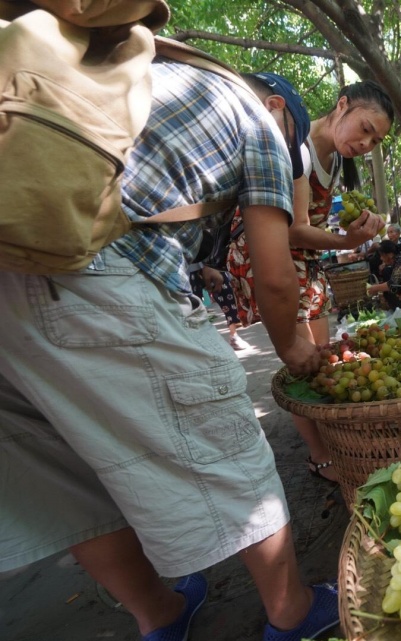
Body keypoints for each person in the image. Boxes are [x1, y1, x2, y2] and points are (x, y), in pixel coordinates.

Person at [0, 62, 356, 640]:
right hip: (91, 261)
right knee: (226, 440)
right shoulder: (261, 123)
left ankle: (158, 612)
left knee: (58, 470)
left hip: (12, 250)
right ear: (279, 109)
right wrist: (293, 347)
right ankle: (291, 610)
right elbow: (275, 273)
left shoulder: (142, 80)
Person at [287, 80, 394, 483]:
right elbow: (295, 230)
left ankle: (331, 442)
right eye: (365, 129)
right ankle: (320, 456)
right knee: (300, 364)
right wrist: (347, 241)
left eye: (375, 140)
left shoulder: (332, 158)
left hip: (308, 267)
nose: (367, 144)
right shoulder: (299, 147)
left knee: (322, 361)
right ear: (342, 104)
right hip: (281, 264)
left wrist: (355, 232)